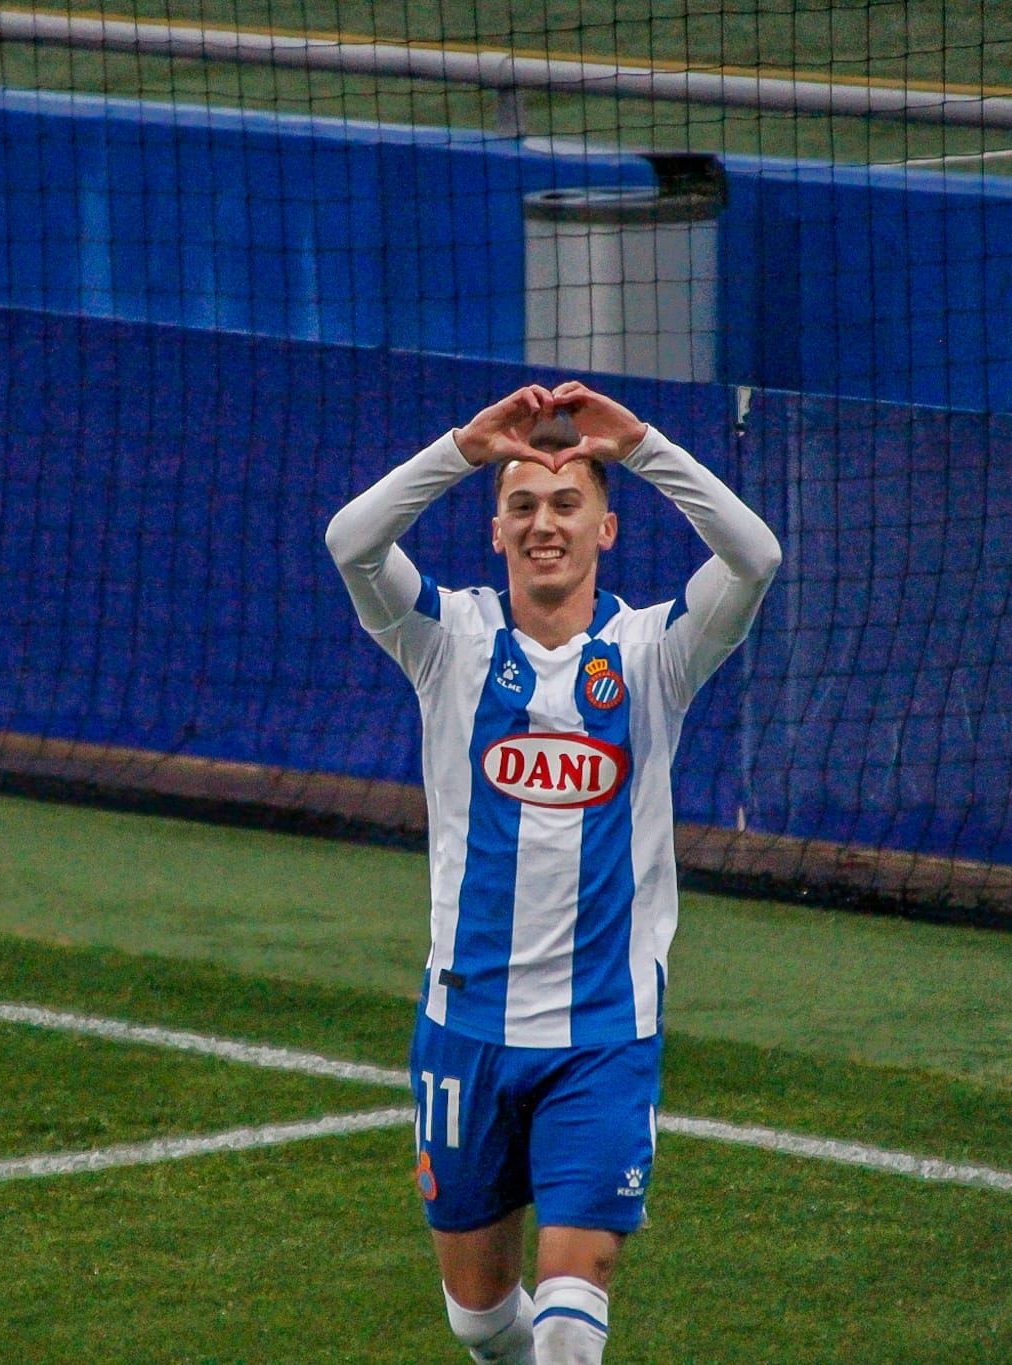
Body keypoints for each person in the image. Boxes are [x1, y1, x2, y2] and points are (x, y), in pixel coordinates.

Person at [324, 381, 782, 1364]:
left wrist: (641, 443)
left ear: (604, 529)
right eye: (522, 506)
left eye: (565, 504)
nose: (543, 524)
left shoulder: (655, 652)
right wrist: (463, 447)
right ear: (494, 530)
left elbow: (755, 557)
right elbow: (350, 542)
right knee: (483, 1326)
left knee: (572, 1329)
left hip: (601, 1039)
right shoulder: (444, 641)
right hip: (466, 1032)